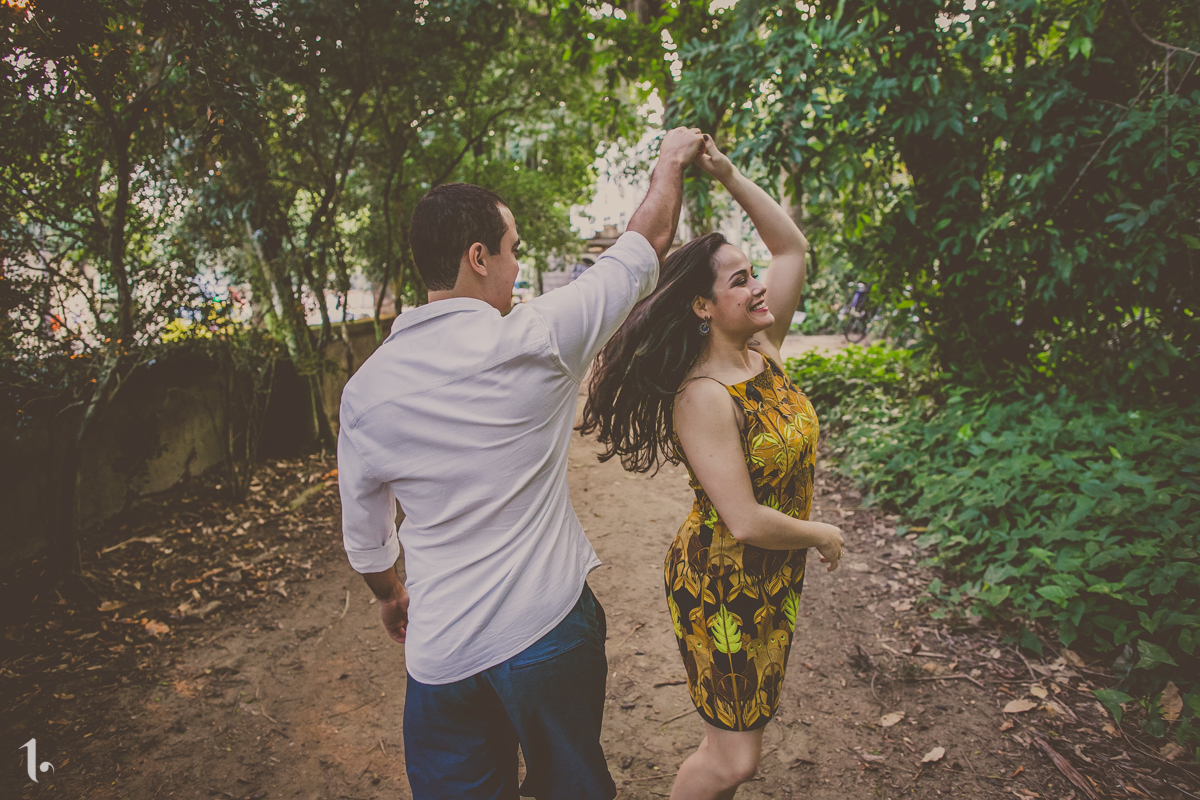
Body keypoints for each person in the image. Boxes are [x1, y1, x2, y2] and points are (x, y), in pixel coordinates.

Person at [336, 127, 707, 800]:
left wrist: (391, 596)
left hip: (441, 654)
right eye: (511, 252)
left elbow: (365, 543)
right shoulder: (536, 339)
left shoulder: (364, 392)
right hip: (545, 634)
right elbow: (645, 243)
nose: (515, 268)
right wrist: (671, 158)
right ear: (478, 256)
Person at [578, 136, 845, 800]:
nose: (759, 288)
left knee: (737, 744)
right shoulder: (704, 397)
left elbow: (792, 249)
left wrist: (725, 173)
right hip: (723, 582)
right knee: (731, 759)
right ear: (701, 306)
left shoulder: (764, 347)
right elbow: (747, 521)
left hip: (769, 579)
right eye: (738, 281)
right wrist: (823, 534)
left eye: (752, 276)